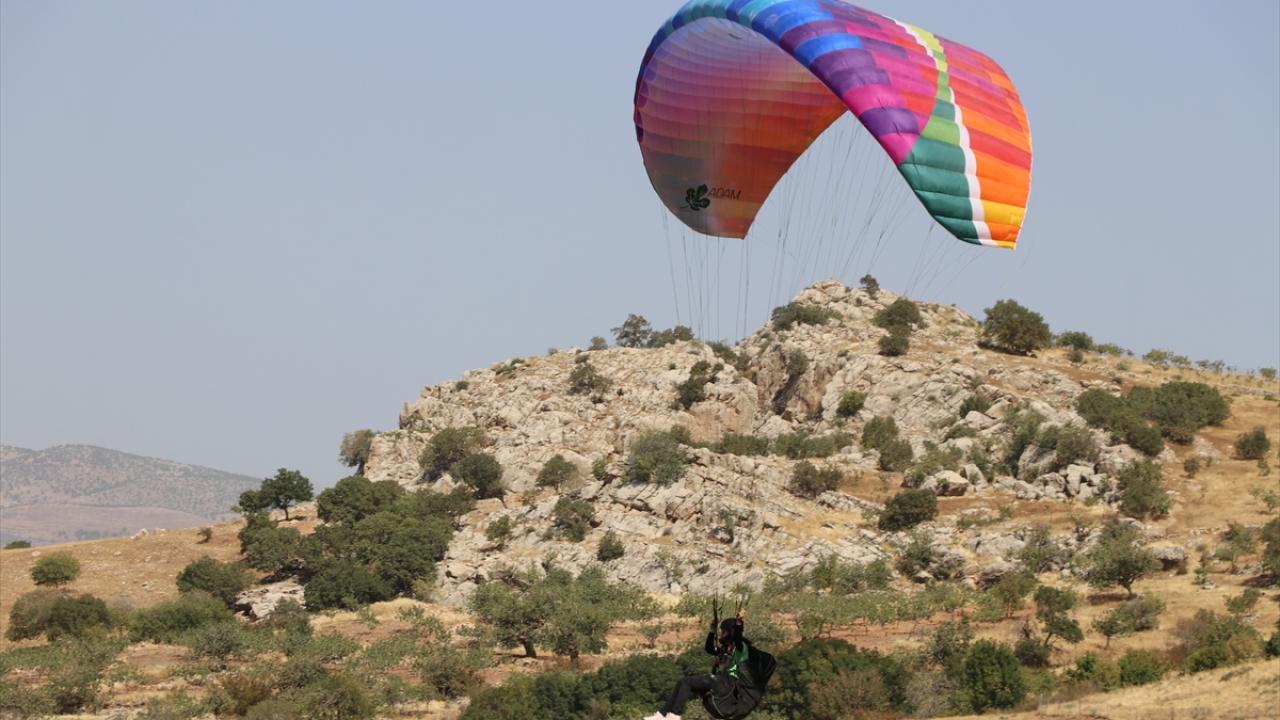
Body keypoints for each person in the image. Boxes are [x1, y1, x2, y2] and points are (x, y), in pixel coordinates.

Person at [644, 604, 772, 720]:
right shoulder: (726, 648)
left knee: (688, 682)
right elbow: (709, 649)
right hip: (722, 682)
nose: (721, 635)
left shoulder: (741, 647)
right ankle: (661, 715)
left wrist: (739, 623)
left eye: (723, 632)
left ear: (731, 633)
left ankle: (675, 716)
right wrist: (712, 630)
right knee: (683, 683)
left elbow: (738, 638)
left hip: (729, 684)